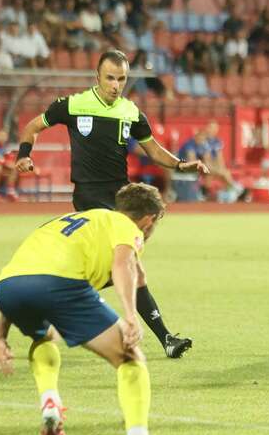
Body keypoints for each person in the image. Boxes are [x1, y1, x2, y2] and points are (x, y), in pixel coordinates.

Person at [14, 50, 207, 359]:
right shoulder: (73, 105)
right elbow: (32, 127)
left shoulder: (130, 112)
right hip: (89, 197)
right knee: (129, 266)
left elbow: (153, 150)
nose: (116, 85)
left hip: (121, 198)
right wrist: (23, 155)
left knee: (132, 270)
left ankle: (163, 338)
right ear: (97, 77)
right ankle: (161, 337)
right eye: (110, 78)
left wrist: (183, 166)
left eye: (121, 79)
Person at [0, 183, 180, 435]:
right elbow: (123, 264)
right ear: (149, 220)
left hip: (8, 288)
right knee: (130, 357)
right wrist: (130, 316)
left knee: (44, 336)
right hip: (60, 285)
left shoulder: (69, 222)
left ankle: (50, 402)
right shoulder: (126, 226)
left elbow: (24, 273)